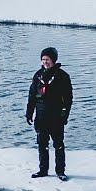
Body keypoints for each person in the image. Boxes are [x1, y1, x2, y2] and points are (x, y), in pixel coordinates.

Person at [25, 46, 72, 181]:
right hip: (41, 116)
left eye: (48, 59)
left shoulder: (62, 76)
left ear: (54, 60)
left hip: (56, 116)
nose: (45, 62)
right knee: (42, 144)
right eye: (43, 59)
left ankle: (60, 171)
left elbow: (68, 99)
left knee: (58, 144)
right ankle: (43, 170)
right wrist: (29, 112)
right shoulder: (38, 75)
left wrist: (65, 115)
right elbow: (32, 96)